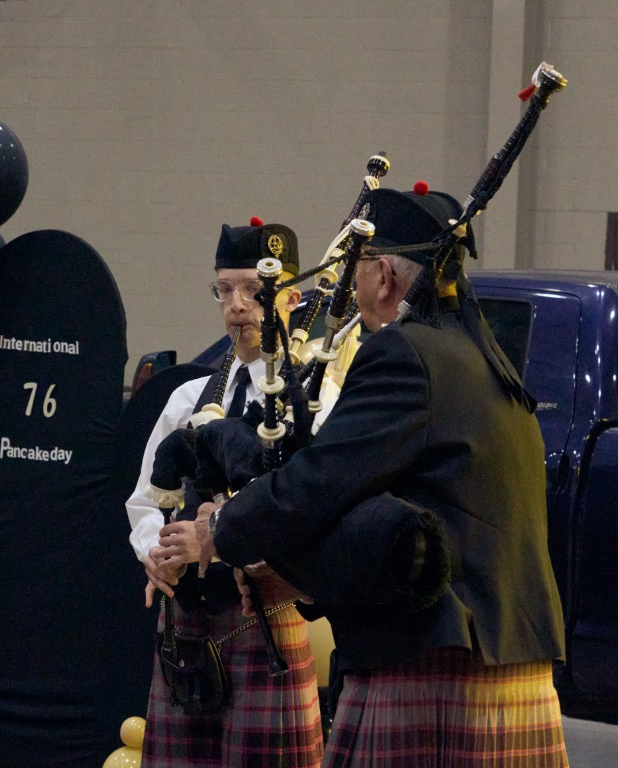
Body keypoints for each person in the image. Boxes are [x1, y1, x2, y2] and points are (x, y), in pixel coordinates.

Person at [199, 185, 569, 767]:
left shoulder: (404, 355)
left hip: (437, 669)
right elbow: (420, 515)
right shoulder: (488, 363)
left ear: (386, 276)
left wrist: (221, 527)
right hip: (512, 661)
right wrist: (298, 574)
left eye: (359, 267)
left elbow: (317, 485)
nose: (351, 285)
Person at [126, 218, 335, 768]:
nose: (238, 305)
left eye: (254, 290)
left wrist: (217, 541)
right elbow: (146, 500)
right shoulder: (189, 397)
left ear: (290, 298)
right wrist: (157, 551)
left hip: (265, 626)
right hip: (184, 629)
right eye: (225, 289)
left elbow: (315, 512)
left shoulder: (317, 400)